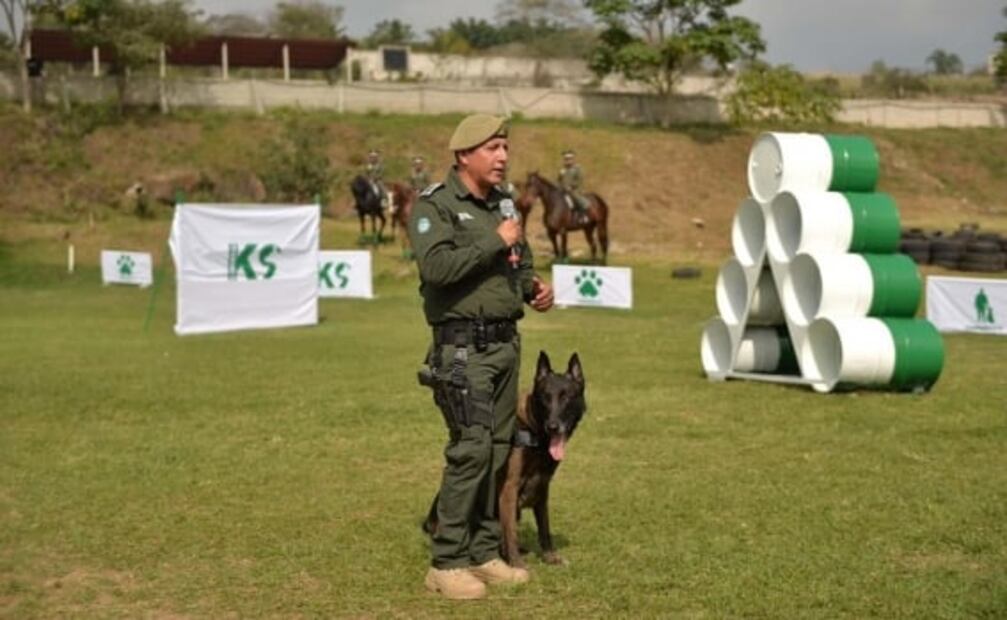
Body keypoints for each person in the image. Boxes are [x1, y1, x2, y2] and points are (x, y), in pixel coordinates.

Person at [408, 114, 555, 600]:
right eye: (493, 148)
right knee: (470, 449)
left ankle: (485, 550)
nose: (503, 157)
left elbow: (521, 260)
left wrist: (532, 287)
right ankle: (447, 561)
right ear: (464, 155)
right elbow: (436, 267)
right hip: (461, 348)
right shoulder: (436, 206)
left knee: (497, 450)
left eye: (506, 147)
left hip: (505, 344)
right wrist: (496, 240)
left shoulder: (504, 204)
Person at [557, 149, 588, 220]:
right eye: (566, 159)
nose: (567, 161)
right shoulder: (562, 170)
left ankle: (583, 214)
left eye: (569, 159)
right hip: (563, 190)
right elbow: (558, 181)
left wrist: (571, 186)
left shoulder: (577, 168)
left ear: (573, 159)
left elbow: (579, 180)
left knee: (576, 197)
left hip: (574, 189)